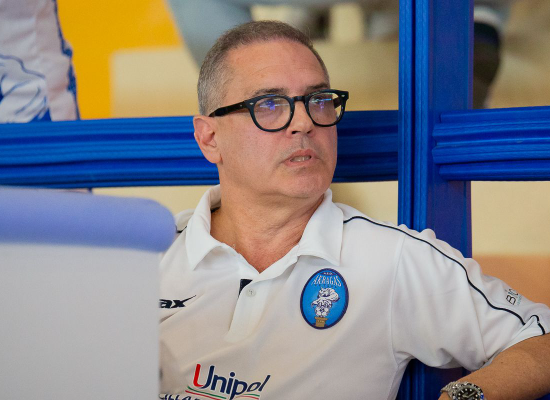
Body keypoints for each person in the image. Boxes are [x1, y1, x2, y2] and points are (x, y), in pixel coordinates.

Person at [159, 20, 550, 400]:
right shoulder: (148, 258)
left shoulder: (392, 260)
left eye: (319, 101)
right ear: (209, 138)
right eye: (270, 104)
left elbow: (541, 339)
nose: (304, 123)